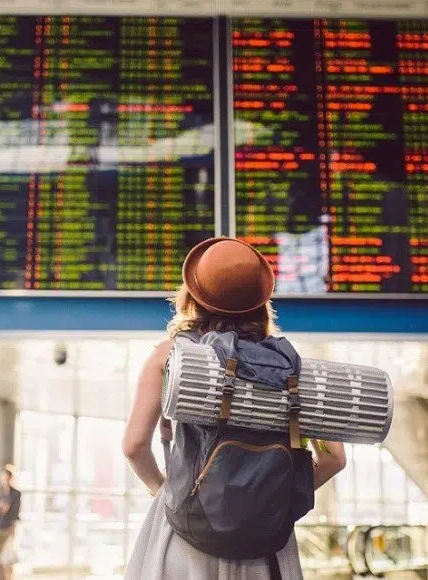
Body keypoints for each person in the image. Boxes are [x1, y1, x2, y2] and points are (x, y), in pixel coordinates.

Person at [122, 237, 347, 579]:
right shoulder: (294, 370)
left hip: (185, 534)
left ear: (194, 296)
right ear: (261, 301)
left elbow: (134, 446)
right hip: (266, 546)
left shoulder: (171, 356)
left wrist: (166, 489)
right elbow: (333, 458)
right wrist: (268, 499)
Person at [0, 465, 21, 580]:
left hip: (9, 528)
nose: (4, 479)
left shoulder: (16, 494)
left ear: (11, 478)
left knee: (7, 559)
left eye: (7, 477)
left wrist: (12, 529)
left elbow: (14, 512)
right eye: (3, 477)